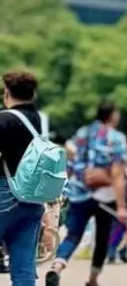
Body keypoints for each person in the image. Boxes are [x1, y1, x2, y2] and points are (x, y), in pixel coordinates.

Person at [46, 99, 127, 286]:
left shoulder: (82, 133)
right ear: (112, 115)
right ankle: (92, 279)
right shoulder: (116, 138)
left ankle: (57, 266)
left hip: (79, 192)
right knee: (102, 238)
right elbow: (117, 174)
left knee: (73, 235)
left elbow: (68, 159)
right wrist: (122, 206)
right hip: (105, 196)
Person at [0, 70, 49, 286]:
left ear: (7, 93)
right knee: (24, 268)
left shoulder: (4, 119)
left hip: (4, 195)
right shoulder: (40, 121)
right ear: (33, 94)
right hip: (33, 197)